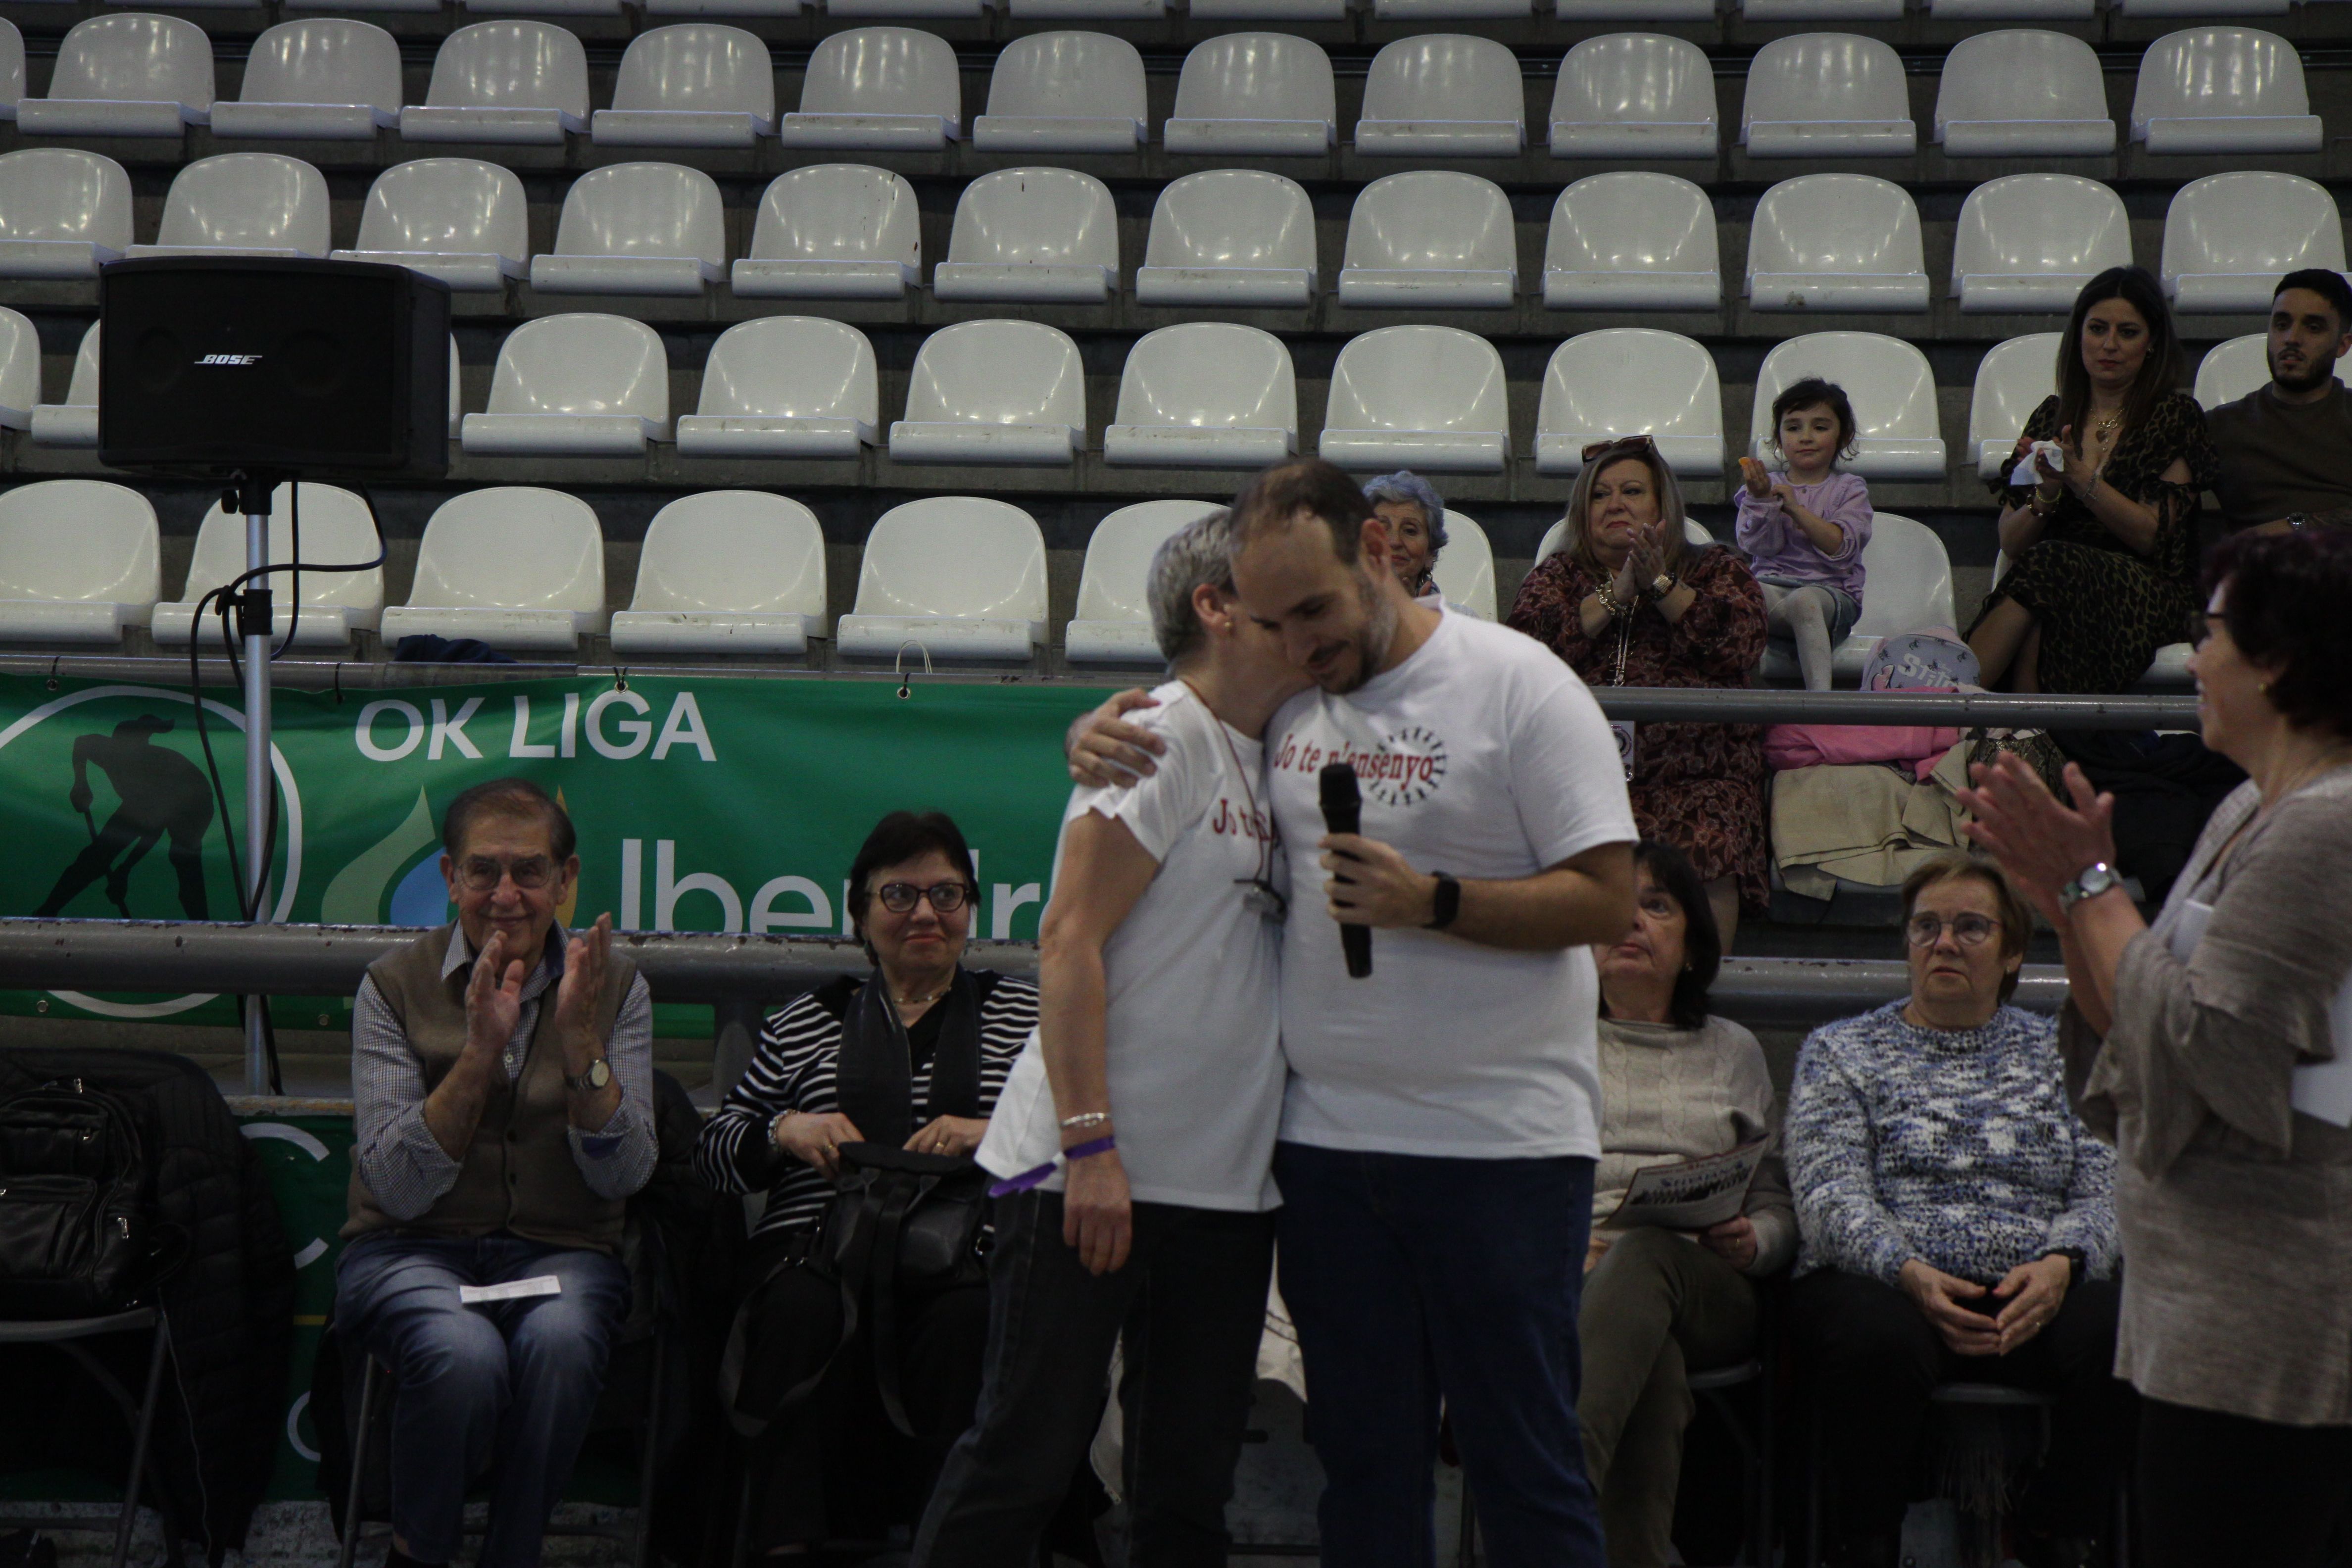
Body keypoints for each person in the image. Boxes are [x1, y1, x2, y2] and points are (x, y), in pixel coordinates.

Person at [1069, 456, 1640, 1567]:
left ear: (1380, 552)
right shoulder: (1288, 694)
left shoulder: (1519, 684)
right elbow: (1175, 727)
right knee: (1364, 1474)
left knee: (1524, 1466)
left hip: (1502, 1149)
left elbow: (1607, 900)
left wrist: (1436, 902)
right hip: (1328, 1153)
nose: (1299, 642)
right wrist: (1089, 735)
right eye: (1272, 621)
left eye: (1315, 610)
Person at [1959, 528, 2352, 1568]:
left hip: (2275, 1311)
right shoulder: (2248, 805)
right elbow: (2144, 1025)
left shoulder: (2326, 826)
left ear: (2278, 660)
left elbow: (2209, 1047)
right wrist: (2063, 905)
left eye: (2209, 634)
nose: (2193, 660)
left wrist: (2090, 889)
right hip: (2203, 1302)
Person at [913, 509, 1300, 1566]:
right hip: (1081, 1169)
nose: (1311, 612)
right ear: (1217, 607)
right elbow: (1067, 940)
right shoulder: (1156, 737)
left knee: (1188, 1488)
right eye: (1282, 590)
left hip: (1223, 1187)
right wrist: (1089, 1145)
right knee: (1023, 1458)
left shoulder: (1292, 743)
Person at [692, 812, 1041, 1556]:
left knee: (971, 1321)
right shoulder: (805, 1021)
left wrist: (997, 1133)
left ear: (971, 908)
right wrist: (786, 1130)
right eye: (899, 895)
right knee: (796, 1312)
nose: (925, 914)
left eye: (946, 895)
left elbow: (1078, 1144)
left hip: (967, 1256)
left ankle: (957, 1549)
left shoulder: (1024, 1016)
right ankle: (791, 1549)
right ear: (860, 912)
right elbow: (713, 1153)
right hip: (819, 1251)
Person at [336, 779, 656, 1568]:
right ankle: (419, 1553)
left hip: (562, 1254)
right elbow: (399, 1188)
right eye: (484, 871)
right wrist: (480, 1051)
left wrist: (581, 1043)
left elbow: (624, 1176)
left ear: (565, 880)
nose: (506, 895)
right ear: (451, 878)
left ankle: (513, 1555)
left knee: (562, 1342)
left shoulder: (616, 986)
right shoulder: (391, 985)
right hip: (410, 1251)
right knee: (462, 1355)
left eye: (530, 872)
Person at [1783, 853, 2125, 1568]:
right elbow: (1827, 1194)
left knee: (2126, 1329)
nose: (1943, 943)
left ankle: (2055, 1527)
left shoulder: (2066, 1052)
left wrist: (2063, 1264)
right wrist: (1905, 1269)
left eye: (1970, 927)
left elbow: (2106, 1188)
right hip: (1888, 1282)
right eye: (1926, 927)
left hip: (2037, 1288)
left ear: (2011, 953)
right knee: (1872, 1341)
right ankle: (1866, 1542)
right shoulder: (1840, 1051)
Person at [1578, 839, 1794, 1568]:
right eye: (1616, 906)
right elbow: (1504, 1191)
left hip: (1707, 1286)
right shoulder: (1550, 1043)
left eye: (1657, 906)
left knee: (1645, 1256)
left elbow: (1777, 1203)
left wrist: (1755, 1239)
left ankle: (1553, 1503)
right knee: (1655, 1367)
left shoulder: (1733, 1050)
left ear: (1695, 947)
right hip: (1576, 1280)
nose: (1631, 922)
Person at [1508, 435, 1769, 941]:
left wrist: (1662, 585)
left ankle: (1703, 983)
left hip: (1696, 777)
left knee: (1711, 832)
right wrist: (1617, 592)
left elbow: (1740, 644)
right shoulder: (1557, 575)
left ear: (1662, 505)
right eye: (1600, 495)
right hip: (1581, 775)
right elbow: (1526, 653)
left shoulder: (1716, 567)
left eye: (1631, 491)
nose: (1614, 505)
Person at [1970, 265, 2219, 693]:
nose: (2109, 344)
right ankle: (2021, 723)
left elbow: (2151, 537)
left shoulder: (2175, 417)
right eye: (2098, 329)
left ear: (2152, 342)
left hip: (2148, 591)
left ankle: (1953, 700)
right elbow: (2011, 542)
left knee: (2050, 569)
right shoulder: (2052, 416)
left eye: (2128, 332)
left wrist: (2079, 477)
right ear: (2079, 335)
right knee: (2047, 582)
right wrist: (2047, 494)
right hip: (2055, 581)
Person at [1736, 377, 1872, 693]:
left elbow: (1841, 548)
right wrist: (1761, 500)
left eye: (1820, 427)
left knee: (1805, 600)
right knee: (1737, 593)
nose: (1806, 437)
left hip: (1830, 594)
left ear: (1843, 436)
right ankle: (1733, 697)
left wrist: (1795, 509)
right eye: (1793, 428)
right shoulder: (1762, 487)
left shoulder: (1850, 489)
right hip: (1774, 589)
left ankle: (1820, 703)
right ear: (1779, 438)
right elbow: (1760, 547)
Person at [2205, 268, 2352, 533]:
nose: (2292, 339)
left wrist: (2291, 528)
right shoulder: (2220, 425)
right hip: (2255, 559)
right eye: (2282, 325)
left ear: (2343, 345)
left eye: (2313, 328)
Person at [36, 714, 214, 919]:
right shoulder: (108, 751)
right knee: (95, 858)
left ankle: (203, 925)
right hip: (145, 802)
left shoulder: (155, 768)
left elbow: (154, 829)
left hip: (194, 804)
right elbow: (81, 743)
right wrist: (81, 783)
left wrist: (124, 870)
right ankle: (47, 912)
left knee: (183, 859)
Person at [1364, 471, 1449, 598]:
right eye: (1381, 529)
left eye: (1410, 531)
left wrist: (1415, 610)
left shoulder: (1457, 612)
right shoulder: (1335, 610)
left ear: (1430, 554)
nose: (1395, 542)